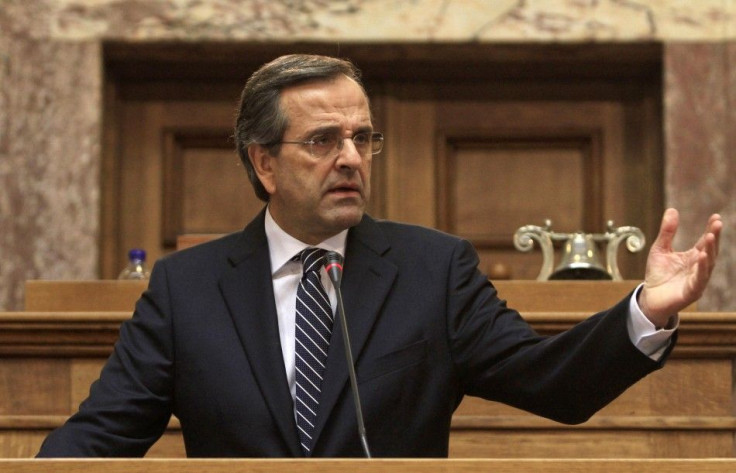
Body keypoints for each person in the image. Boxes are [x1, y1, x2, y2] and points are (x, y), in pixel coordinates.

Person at [36, 54, 722, 458]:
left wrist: (646, 311)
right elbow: (99, 436)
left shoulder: (433, 270)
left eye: (362, 138)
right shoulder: (187, 288)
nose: (351, 159)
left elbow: (554, 383)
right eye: (324, 140)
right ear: (264, 162)